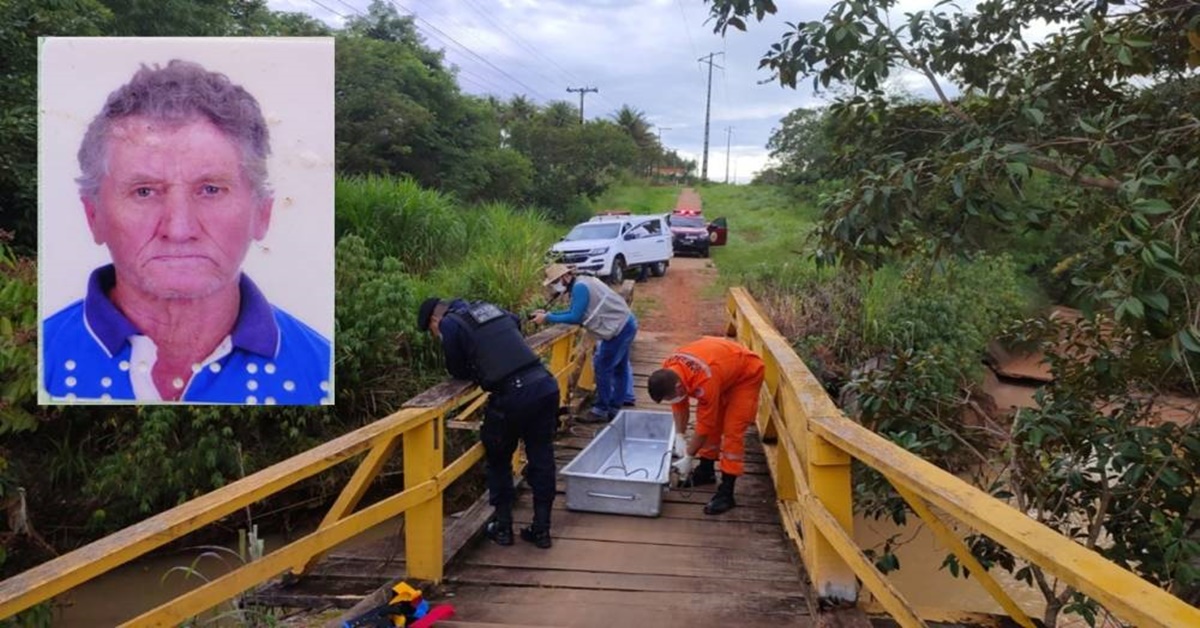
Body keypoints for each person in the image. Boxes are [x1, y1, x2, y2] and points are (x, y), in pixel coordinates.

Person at [41, 60, 331, 404]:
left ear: (262, 213)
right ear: (93, 216)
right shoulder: (37, 357)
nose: (179, 229)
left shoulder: (321, 370)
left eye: (210, 189)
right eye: (144, 191)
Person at [418, 297, 559, 549]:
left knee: (498, 458)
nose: (435, 334)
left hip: (511, 396)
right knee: (542, 456)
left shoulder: (450, 324)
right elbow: (515, 321)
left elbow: (457, 369)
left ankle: (503, 528)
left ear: (434, 320)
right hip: (544, 385)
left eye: (431, 331)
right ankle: (542, 530)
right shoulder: (488, 308)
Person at [647, 337, 765, 515]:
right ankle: (706, 470)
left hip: (745, 373)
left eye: (669, 398)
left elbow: (704, 424)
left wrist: (688, 456)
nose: (671, 401)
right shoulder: (669, 370)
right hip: (723, 367)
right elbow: (679, 404)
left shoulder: (705, 380)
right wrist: (679, 434)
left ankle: (727, 491)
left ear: (679, 387)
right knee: (713, 424)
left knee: (732, 430)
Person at [531, 264, 637, 423]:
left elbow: (575, 317)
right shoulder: (583, 282)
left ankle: (601, 409)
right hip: (624, 323)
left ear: (565, 277)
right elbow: (575, 311)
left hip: (618, 329)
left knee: (602, 366)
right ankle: (614, 407)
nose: (555, 286)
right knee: (619, 367)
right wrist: (549, 314)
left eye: (555, 282)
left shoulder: (580, 287)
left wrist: (547, 318)